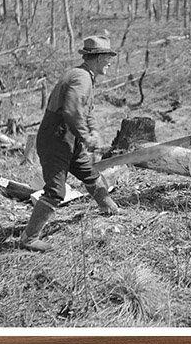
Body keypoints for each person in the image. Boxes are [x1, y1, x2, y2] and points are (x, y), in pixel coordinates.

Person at [18, 36, 120, 252]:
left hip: (68, 138)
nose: (110, 62)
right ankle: (28, 238)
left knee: (89, 174)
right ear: (98, 58)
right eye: (108, 57)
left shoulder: (85, 77)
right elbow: (72, 111)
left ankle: (108, 207)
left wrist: (92, 131)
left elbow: (85, 111)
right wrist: (85, 135)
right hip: (57, 139)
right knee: (55, 192)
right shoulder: (81, 78)